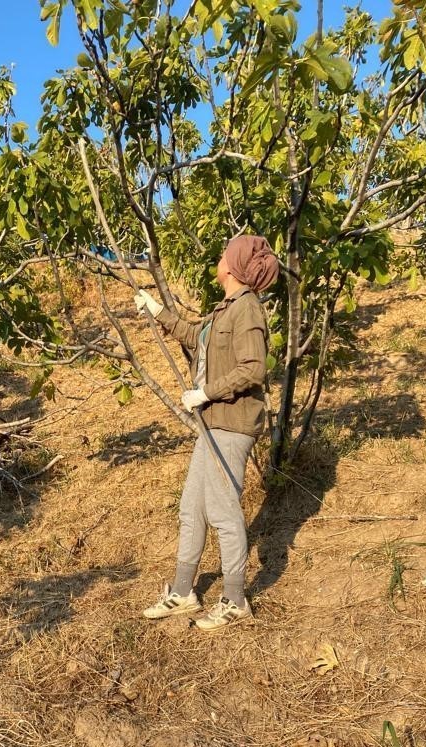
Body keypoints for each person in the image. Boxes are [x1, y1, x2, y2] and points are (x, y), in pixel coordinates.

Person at [134, 235, 278, 630]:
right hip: (212, 423)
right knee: (192, 508)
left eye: (222, 254)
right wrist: (157, 310)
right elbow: (192, 335)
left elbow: (254, 368)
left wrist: (206, 392)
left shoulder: (247, 309)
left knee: (223, 512)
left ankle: (235, 600)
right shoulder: (224, 310)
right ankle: (183, 592)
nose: (218, 258)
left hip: (232, 423)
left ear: (232, 265)